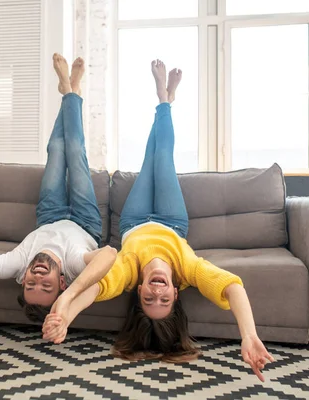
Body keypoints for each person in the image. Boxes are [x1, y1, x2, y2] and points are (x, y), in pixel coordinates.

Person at [42, 58, 275, 382]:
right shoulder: (189, 271)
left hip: (134, 220)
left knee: (149, 156)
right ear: (175, 296)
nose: (157, 292)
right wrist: (248, 334)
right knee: (162, 157)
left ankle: (164, 101)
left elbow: (93, 290)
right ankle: (164, 101)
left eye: (149, 299)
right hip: (171, 220)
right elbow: (233, 288)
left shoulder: (127, 273)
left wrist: (64, 315)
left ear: (138, 292)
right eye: (164, 300)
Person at [0, 54, 117, 339]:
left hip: (49, 214)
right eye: (46, 287)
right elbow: (109, 254)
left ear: (22, 280)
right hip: (85, 222)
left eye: (29, 285)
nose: (36, 279)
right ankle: (71, 91)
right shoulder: (71, 265)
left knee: (56, 149)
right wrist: (67, 298)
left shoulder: (19, 263)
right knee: (75, 151)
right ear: (61, 281)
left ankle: (70, 92)